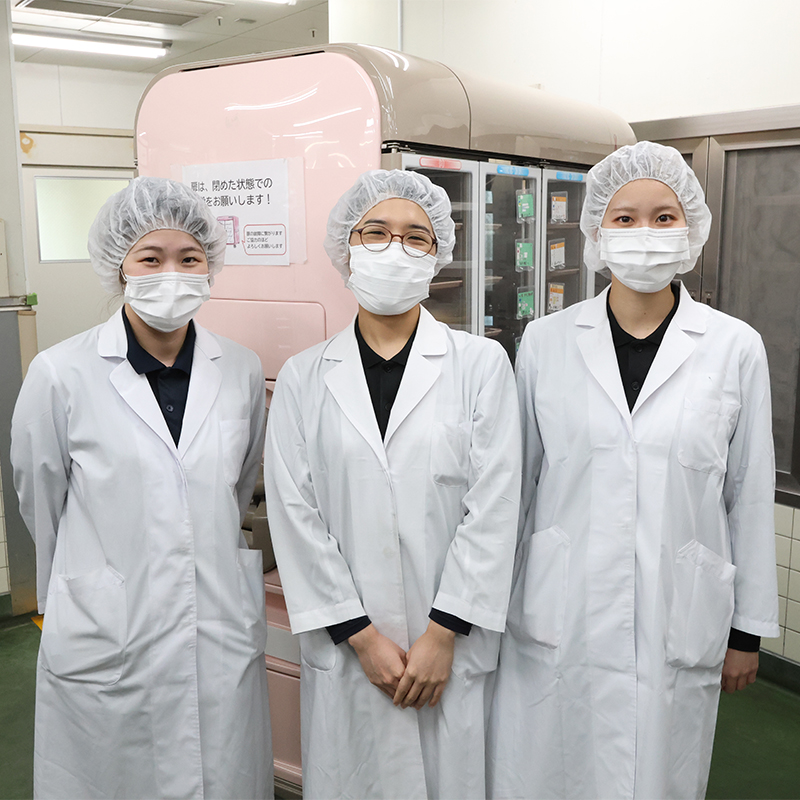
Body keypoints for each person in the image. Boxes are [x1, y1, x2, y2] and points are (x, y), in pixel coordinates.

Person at [487, 142, 779, 800]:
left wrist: (747, 632)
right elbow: (516, 487)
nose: (644, 232)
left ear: (690, 228)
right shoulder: (546, 341)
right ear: (596, 231)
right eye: (624, 218)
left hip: (677, 611)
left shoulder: (734, 347)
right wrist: (486, 610)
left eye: (662, 217)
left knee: (657, 775)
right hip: (559, 608)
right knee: (547, 770)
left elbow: (748, 494)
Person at [11, 177, 273, 800]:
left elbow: (235, 487)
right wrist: (81, 582)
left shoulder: (239, 368)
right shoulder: (61, 372)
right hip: (108, 627)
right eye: (151, 258)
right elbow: (40, 497)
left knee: (221, 770)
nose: (172, 274)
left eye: (190, 258)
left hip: (215, 618)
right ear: (119, 266)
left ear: (210, 267)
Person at [264, 169, 521, 799]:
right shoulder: (303, 376)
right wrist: (360, 636)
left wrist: (442, 633)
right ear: (346, 249)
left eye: (415, 237)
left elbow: (494, 505)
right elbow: (295, 514)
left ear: (437, 256)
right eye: (375, 233)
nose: (394, 249)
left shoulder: (480, 365)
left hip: (450, 644)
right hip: (350, 646)